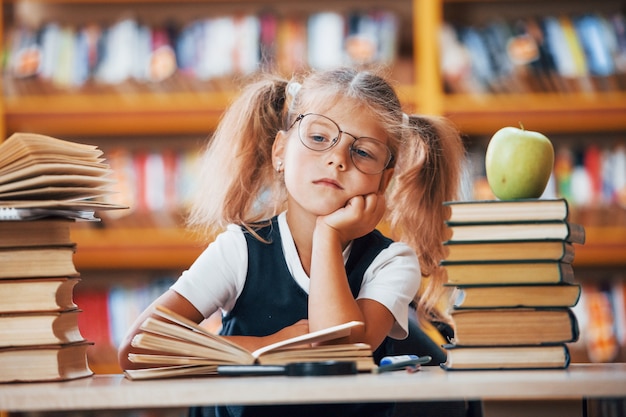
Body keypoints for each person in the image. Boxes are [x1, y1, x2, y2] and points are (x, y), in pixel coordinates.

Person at [118, 67, 466, 417]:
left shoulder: (391, 262)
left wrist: (328, 236)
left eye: (362, 152)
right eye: (318, 138)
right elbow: (137, 351)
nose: (337, 159)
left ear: (384, 180)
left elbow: (338, 350)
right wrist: (269, 345)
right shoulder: (240, 249)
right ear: (280, 150)